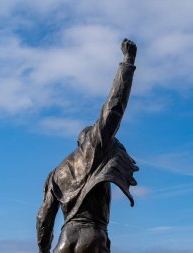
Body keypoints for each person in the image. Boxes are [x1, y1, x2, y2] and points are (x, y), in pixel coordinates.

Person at [36, 38, 139, 253]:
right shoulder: (94, 150)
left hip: (64, 241)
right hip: (92, 238)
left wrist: (44, 250)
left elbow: (44, 218)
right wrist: (127, 63)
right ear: (89, 140)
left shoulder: (56, 174)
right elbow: (113, 108)